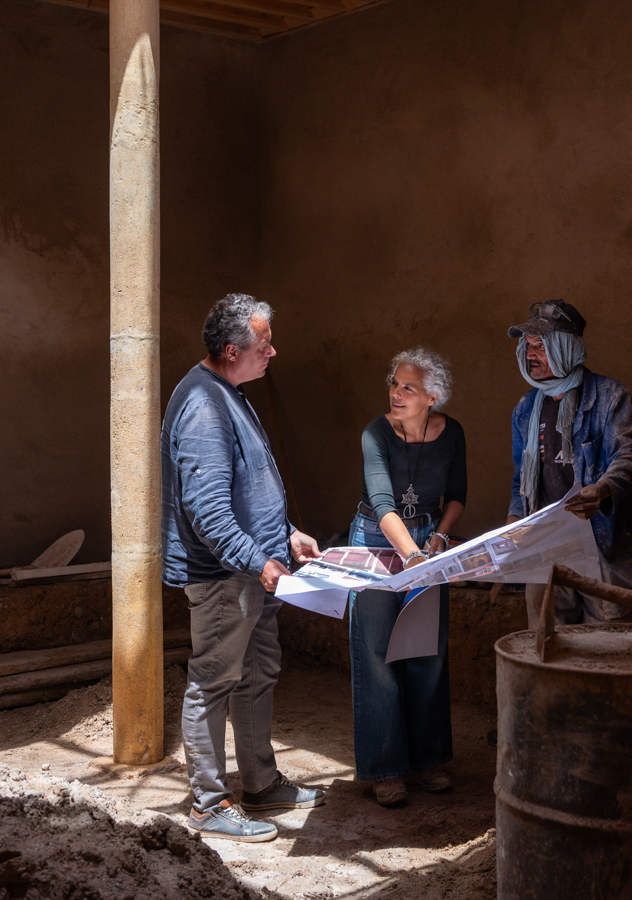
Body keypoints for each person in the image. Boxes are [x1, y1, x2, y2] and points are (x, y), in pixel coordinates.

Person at [161, 293, 326, 842]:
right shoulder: (205, 408)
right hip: (224, 575)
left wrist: (285, 536)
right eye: (263, 345)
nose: (272, 352)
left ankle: (259, 783)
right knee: (213, 681)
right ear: (232, 350)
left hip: (252, 568)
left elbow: (248, 489)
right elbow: (207, 511)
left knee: (256, 675)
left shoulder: (229, 390)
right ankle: (209, 802)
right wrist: (260, 562)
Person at [348, 348, 467, 807]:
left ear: (432, 397)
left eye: (408, 388)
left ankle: (430, 760)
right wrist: (414, 555)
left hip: (426, 542)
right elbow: (382, 506)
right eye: (395, 384)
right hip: (377, 539)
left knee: (426, 650)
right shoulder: (375, 433)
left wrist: (438, 537)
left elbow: (456, 495)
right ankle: (386, 769)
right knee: (377, 654)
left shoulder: (451, 432)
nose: (396, 393)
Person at [506, 299, 632, 628]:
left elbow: (628, 456)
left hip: (600, 549)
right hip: (545, 548)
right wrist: (512, 527)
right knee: (548, 647)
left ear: (566, 347)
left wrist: (600, 492)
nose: (531, 355)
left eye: (541, 347)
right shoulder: (526, 408)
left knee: (603, 649)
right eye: (527, 346)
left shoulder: (610, 397)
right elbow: (521, 481)